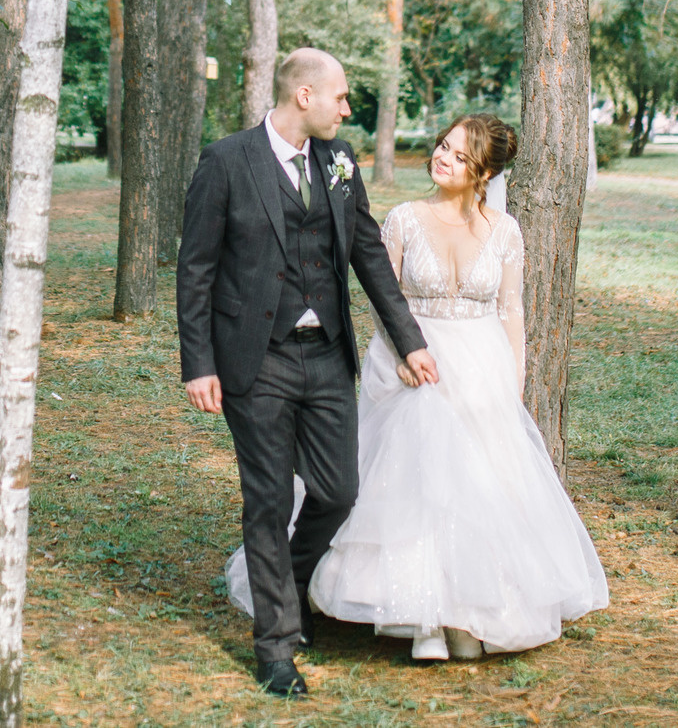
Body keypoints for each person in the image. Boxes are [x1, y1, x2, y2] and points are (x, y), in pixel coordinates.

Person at [242, 114, 610, 662]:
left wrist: (511, 383)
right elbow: (380, 295)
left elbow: (512, 311)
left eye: (459, 156)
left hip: (481, 367)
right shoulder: (406, 219)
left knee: (478, 488)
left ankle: (470, 613)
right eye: (443, 145)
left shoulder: (506, 231)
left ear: (482, 173)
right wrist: (399, 359)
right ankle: (419, 616)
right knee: (417, 483)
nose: (443, 157)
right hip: (418, 359)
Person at [177, 47, 436, 698]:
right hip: (254, 358)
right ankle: (276, 645)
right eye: (341, 96)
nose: (347, 109)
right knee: (266, 500)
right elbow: (197, 269)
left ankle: (290, 586)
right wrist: (198, 363)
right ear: (304, 96)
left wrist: (409, 342)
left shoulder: (339, 159)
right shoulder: (227, 161)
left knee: (338, 490)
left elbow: (371, 256)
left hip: (326, 357)